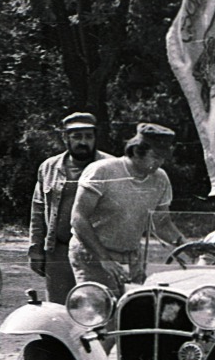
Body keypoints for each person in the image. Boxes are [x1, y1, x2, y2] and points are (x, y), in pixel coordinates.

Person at [69, 123, 184, 294]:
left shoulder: (160, 179)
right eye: (156, 157)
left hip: (131, 257)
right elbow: (78, 218)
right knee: (101, 312)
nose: (160, 163)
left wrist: (185, 246)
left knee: (134, 309)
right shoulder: (102, 171)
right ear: (137, 151)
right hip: (93, 254)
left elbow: (162, 224)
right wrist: (104, 259)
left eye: (163, 158)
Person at [30, 112, 114, 301]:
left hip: (96, 253)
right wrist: (35, 249)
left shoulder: (111, 167)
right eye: (77, 136)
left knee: (96, 308)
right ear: (65, 137)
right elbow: (38, 209)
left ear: (95, 138)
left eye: (88, 136)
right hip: (58, 252)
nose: (83, 142)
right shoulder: (48, 167)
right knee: (58, 310)